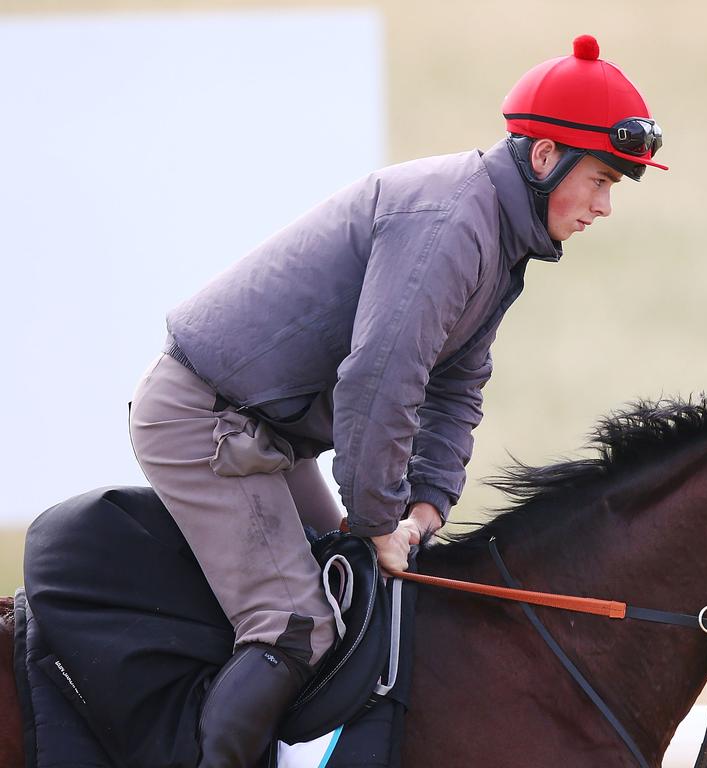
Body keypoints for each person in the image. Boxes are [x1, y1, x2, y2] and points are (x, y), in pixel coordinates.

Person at [128, 33, 665, 767]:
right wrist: (379, 519)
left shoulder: (500, 238)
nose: (605, 206)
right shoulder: (454, 226)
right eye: (601, 179)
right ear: (545, 158)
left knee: (371, 607)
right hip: (204, 423)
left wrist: (426, 506)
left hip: (263, 436)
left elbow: (455, 388)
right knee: (295, 628)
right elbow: (379, 382)